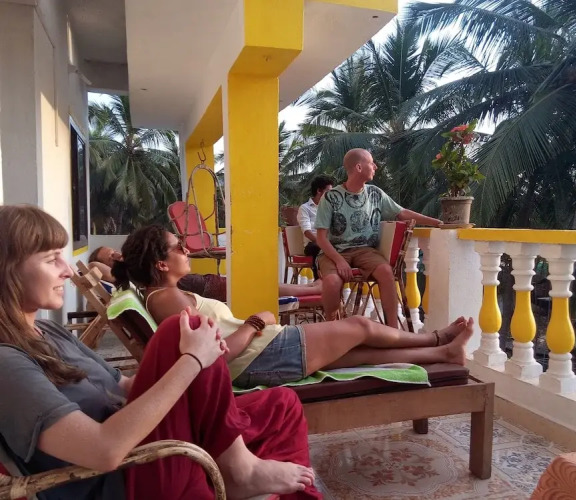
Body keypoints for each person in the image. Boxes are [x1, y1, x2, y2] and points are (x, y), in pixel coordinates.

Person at [0, 205, 320, 500]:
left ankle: (257, 478)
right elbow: (103, 450)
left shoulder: (49, 331)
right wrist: (192, 360)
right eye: (51, 259)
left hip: (143, 444)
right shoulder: (7, 364)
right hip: (126, 478)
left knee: (281, 405)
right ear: (6, 271)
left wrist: (196, 379)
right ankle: (240, 471)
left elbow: (126, 386)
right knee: (179, 331)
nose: (67, 270)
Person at [113, 225, 474, 390]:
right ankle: (436, 338)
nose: (186, 249)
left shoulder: (164, 295)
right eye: (178, 246)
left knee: (359, 353)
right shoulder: (168, 299)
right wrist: (255, 323)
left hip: (262, 355)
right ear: (161, 263)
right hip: (260, 357)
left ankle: (443, 351)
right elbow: (211, 355)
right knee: (360, 327)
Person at [315, 148, 445, 327]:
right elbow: (321, 238)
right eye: (371, 163)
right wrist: (339, 261)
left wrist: (435, 222)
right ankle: (330, 328)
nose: (375, 166)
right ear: (359, 167)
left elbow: (401, 213)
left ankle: (392, 331)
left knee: (386, 272)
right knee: (331, 282)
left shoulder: (375, 193)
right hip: (334, 251)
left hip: (365, 251)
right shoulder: (330, 197)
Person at [89, 246, 322, 300]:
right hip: (206, 288)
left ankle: (308, 287)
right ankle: (309, 289)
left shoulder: (135, 272)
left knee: (259, 285)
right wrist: (114, 260)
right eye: (110, 256)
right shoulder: (133, 274)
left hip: (204, 283)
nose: (116, 254)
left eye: (114, 251)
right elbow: (93, 268)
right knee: (259, 289)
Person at [297, 175, 335, 279]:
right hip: (313, 244)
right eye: (328, 191)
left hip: (329, 243)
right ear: (319, 191)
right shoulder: (305, 208)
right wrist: (322, 242)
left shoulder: (331, 209)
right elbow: (307, 231)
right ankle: (319, 281)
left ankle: (334, 281)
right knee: (317, 248)